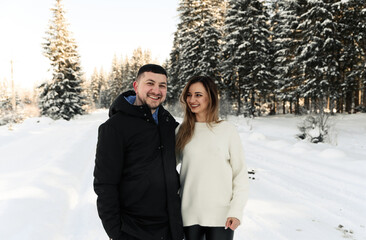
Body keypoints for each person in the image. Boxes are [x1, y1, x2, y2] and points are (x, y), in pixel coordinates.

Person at [93, 64, 184, 240]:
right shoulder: (114, 128)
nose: (156, 90)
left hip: (169, 229)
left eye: (162, 85)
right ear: (136, 86)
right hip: (133, 231)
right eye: (150, 83)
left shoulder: (168, 123)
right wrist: (116, 232)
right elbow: (105, 184)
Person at [176, 76, 249, 240]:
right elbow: (164, 168)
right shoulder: (182, 132)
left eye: (198, 95)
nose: (192, 100)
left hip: (221, 217)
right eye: (189, 95)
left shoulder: (227, 131)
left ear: (211, 97)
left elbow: (240, 175)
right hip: (188, 216)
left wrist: (236, 211)